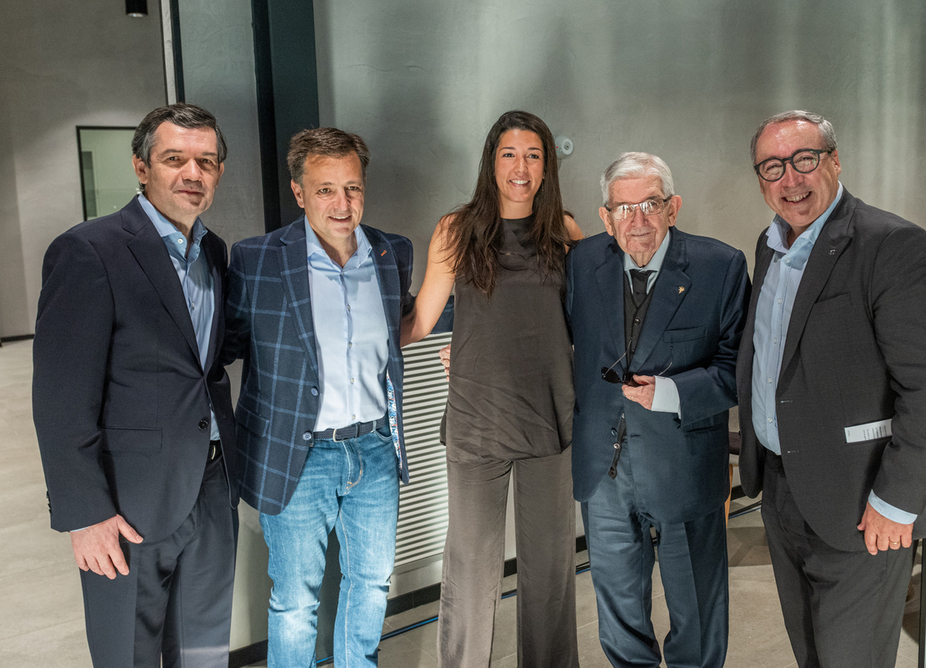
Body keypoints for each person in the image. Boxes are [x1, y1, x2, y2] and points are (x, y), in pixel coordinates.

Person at [737, 109, 926, 668]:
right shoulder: (770, 247)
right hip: (784, 489)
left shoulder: (894, 247)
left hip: (865, 502)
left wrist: (896, 502)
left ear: (834, 162)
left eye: (804, 160)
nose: (790, 179)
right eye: (772, 167)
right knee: (812, 653)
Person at [32, 103, 237, 667]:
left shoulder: (214, 253)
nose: (192, 173)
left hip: (212, 484)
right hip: (128, 502)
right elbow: (60, 397)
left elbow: (204, 360)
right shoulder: (89, 250)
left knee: (204, 649)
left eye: (206, 161)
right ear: (141, 167)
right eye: (175, 159)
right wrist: (84, 512)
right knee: (129, 654)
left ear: (218, 172)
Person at [223, 127, 413, 668]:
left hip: (375, 448)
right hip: (299, 455)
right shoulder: (257, 259)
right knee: (295, 602)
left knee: (372, 584)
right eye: (325, 189)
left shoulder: (391, 251)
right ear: (299, 192)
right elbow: (228, 347)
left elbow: (404, 326)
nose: (342, 202)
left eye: (352, 187)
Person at [402, 110, 583, 668]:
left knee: (550, 576)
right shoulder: (456, 230)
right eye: (509, 154)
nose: (520, 166)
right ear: (491, 162)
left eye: (533, 155)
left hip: (550, 421)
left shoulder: (568, 233)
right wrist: (354, 337)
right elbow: (421, 321)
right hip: (478, 423)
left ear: (548, 166)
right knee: (471, 576)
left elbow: (585, 326)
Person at [565, 151, 749, 668]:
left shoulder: (721, 266)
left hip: (684, 467)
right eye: (623, 208)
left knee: (697, 611)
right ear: (605, 216)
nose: (637, 220)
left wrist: (669, 392)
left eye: (650, 204)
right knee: (619, 613)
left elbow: (740, 370)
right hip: (603, 473)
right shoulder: (581, 262)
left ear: (674, 207)